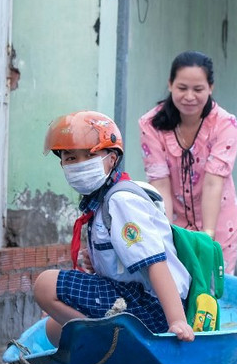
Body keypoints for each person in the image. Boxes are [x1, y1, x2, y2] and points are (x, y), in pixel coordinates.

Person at [33, 110, 195, 346]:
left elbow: (154, 261)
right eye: (70, 158)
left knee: (45, 285)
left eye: (88, 156)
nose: (78, 165)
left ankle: (114, 344)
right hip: (133, 297)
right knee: (54, 328)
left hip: (153, 307)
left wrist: (177, 321)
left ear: (112, 158)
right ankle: (108, 344)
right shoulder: (100, 201)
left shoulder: (120, 200)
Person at [139, 51, 237, 273]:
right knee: (178, 290)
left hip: (219, 222)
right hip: (175, 223)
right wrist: (165, 234)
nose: (189, 97)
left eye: (198, 89)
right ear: (170, 84)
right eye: (182, 88)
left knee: (213, 292)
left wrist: (208, 236)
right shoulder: (150, 124)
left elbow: (214, 183)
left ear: (210, 87)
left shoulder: (225, 124)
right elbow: (160, 184)